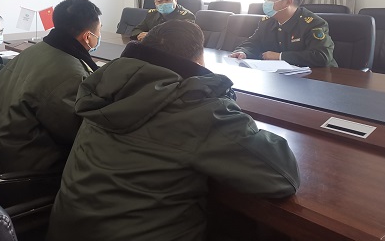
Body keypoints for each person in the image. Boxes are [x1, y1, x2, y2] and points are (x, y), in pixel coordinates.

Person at [46, 20, 300, 241]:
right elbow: (282, 176)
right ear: (199, 60)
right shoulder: (196, 108)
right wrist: (219, 99)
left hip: (67, 230)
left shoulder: (104, 86)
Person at [0, 0, 102, 180]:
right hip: (23, 171)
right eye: (99, 30)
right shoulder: (70, 75)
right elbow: (83, 134)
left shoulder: (34, 51)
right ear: (88, 36)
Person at [230, 0, 337, 67]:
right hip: (279, 77)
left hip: (317, 79)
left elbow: (321, 56)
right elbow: (253, 42)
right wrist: (243, 52)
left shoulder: (313, 23)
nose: (266, 3)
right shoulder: (267, 22)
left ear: (288, 1)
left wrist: (280, 56)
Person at [130, 0, 195, 41]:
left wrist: (151, 36)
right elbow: (136, 30)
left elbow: (182, 37)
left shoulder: (186, 16)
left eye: (168, 0)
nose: (164, 3)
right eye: (159, 1)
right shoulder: (152, 14)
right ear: (155, 3)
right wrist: (140, 35)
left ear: (175, 0)